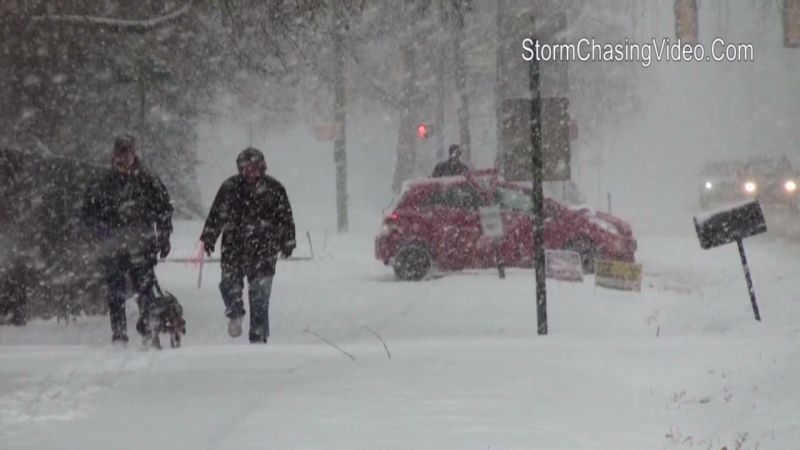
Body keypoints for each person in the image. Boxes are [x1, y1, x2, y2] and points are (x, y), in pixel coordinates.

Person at [82, 135, 173, 344]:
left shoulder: (148, 179)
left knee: (145, 288)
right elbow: (88, 212)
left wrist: (164, 235)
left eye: (127, 152)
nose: (123, 157)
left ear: (133, 153)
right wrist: (99, 230)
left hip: (143, 242)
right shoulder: (103, 182)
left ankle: (149, 329)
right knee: (115, 291)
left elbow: (164, 209)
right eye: (120, 153)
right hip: (113, 244)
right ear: (114, 154)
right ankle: (119, 334)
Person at [200, 147, 296, 343]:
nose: (251, 172)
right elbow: (217, 214)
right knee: (229, 283)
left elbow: (285, 217)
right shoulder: (229, 188)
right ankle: (235, 312)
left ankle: (258, 335)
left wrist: (287, 240)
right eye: (247, 168)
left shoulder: (274, 189)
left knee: (260, 294)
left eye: (255, 168)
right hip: (234, 246)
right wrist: (209, 236)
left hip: (264, 249)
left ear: (262, 167)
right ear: (240, 170)